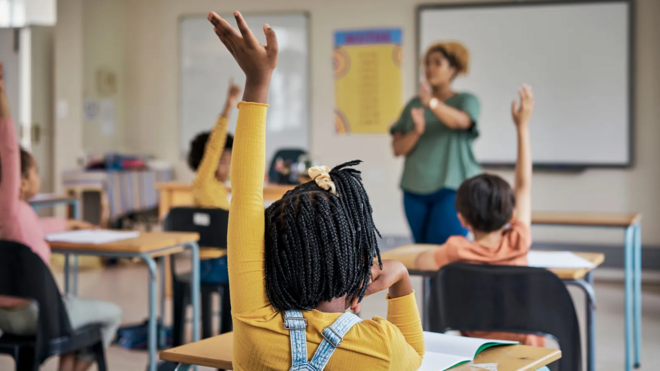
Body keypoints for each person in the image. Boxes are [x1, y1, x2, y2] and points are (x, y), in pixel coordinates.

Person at [207, 11, 424, 370]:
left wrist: (256, 82)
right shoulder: (383, 349)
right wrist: (399, 278)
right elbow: (415, 358)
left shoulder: (254, 324)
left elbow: (245, 197)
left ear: (272, 256)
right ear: (355, 256)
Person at [0, 63, 122, 371]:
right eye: (36, 172)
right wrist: (2, 93)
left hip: (4, 314)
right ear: (21, 180)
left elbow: (34, 227)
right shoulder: (12, 206)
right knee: (111, 314)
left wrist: (69, 224)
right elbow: (10, 153)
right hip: (39, 313)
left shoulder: (13, 217)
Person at [417, 84, 544, 347]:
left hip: (477, 353)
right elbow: (523, 185)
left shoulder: (455, 250)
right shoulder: (519, 239)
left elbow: (421, 260)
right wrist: (522, 128)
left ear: (461, 219)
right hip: (528, 355)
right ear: (511, 214)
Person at [391, 41, 481, 245]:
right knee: (421, 252)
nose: (429, 68)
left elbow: (461, 121)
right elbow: (397, 149)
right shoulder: (413, 105)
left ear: (453, 70)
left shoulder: (466, 100)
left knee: (447, 251)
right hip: (414, 188)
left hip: (453, 188)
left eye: (437, 63)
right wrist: (416, 131)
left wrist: (431, 102)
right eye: (427, 63)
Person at [188, 79, 242, 210]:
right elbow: (214, 148)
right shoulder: (203, 181)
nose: (228, 169)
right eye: (223, 162)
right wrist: (228, 105)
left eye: (229, 163)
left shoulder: (220, 189)